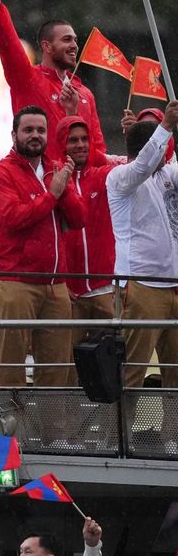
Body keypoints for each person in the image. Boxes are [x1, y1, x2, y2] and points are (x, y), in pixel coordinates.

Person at [0, 105, 84, 387]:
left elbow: (79, 218)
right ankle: (6, 432)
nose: (35, 135)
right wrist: (52, 196)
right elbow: (12, 218)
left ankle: (51, 433)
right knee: (11, 368)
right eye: (28, 130)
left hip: (56, 285)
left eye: (41, 130)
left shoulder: (55, 170)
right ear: (14, 134)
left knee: (56, 370)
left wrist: (62, 191)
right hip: (15, 281)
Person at [0, 0, 106, 166]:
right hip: (41, 183)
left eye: (75, 40)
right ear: (46, 46)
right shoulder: (28, 79)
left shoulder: (84, 93)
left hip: (82, 189)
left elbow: (98, 149)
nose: (74, 46)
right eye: (66, 40)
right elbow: (8, 43)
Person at [106, 100, 178, 389]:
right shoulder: (120, 178)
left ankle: (172, 436)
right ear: (152, 147)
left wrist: (166, 131)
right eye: (162, 145)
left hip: (172, 286)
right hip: (139, 286)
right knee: (132, 373)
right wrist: (166, 127)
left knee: (175, 376)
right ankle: (119, 435)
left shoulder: (165, 175)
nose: (166, 151)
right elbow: (144, 164)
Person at [57, 116, 119, 358]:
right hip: (68, 294)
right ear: (61, 144)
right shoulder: (52, 180)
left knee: (111, 367)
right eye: (73, 140)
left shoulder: (106, 176)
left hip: (105, 289)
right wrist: (59, 281)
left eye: (85, 139)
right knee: (67, 367)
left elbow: (141, 166)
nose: (80, 144)